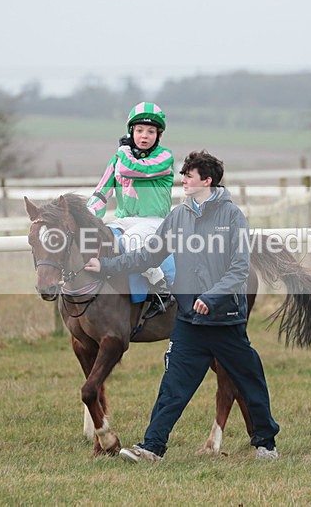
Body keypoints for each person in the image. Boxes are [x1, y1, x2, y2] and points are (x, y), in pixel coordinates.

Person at [84, 150, 280, 462]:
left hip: (225, 320)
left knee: (249, 380)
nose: (183, 179)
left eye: (189, 175)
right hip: (189, 321)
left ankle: (266, 444)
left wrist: (210, 298)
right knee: (173, 387)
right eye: (183, 174)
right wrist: (106, 265)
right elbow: (148, 256)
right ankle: (152, 448)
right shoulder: (178, 216)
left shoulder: (232, 217)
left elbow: (239, 269)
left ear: (207, 180)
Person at [86, 101, 175, 319]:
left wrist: (124, 150)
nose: (144, 136)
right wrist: (86, 218)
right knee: (100, 240)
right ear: (131, 132)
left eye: (151, 131)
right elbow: (101, 193)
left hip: (155, 222)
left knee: (131, 241)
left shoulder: (164, 158)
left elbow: (130, 169)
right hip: (124, 219)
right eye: (139, 130)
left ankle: (160, 286)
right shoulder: (118, 159)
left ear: (159, 136)